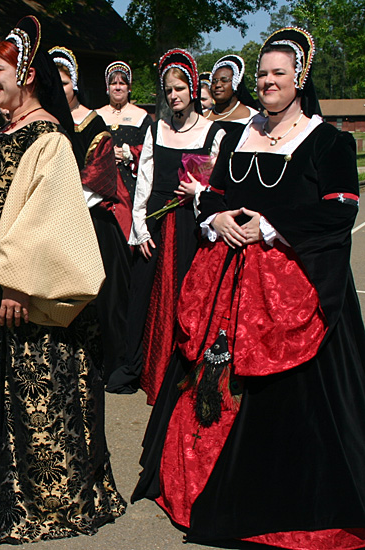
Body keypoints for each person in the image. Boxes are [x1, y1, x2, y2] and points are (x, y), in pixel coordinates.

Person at [132, 27, 365, 549]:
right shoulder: (238, 135)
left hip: (290, 290)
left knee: (287, 403)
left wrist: (270, 226)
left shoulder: (329, 141)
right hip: (225, 282)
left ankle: (270, 501)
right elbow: (213, 194)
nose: (267, 81)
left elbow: (338, 211)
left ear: (300, 79)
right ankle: (197, 488)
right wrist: (217, 219)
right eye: (262, 73)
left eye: (279, 73)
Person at [0, 16, 126, 548]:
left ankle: (35, 497)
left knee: (31, 391)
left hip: (16, 288)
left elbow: (49, 216)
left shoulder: (49, 139)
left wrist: (17, 283)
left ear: (27, 74)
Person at [128, 49, 225, 404]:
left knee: (189, 296)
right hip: (158, 220)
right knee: (151, 296)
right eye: (168, 90)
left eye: (180, 88)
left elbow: (218, 187)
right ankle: (151, 370)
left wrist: (199, 192)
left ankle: (185, 372)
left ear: (193, 88)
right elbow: (144, 181)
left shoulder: (213, 132)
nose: (173, 96)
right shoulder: (157, 129)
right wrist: (140, 227)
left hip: (191, 224)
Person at [50, 45, 132, 392]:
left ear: (75, 84)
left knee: (101, 300)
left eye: (64, 82)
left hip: (90, 222)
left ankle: (105, 366)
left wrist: (61, 204)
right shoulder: (45, 121)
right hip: (51, 222)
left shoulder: (93, 123)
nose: (59, 89)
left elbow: (99, 178)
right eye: (53, 83)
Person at [96, 61, 152, 243]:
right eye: (114, 83)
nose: (118, 87)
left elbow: (150, 150)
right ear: (107, 87)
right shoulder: (96, 116)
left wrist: (129, 153)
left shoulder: (141, 117)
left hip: (131, 182)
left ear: (129, 87)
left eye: (122, 83)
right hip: (103, 182)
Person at [205, 54, 259, 132]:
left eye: (224, 80)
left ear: (235, 83)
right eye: (214, 81)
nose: (217, 85)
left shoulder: (253, 119)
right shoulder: (201, 115)